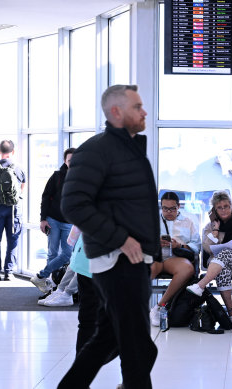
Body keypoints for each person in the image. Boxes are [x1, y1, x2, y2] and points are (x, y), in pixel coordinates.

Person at [58, 84, 160, 389]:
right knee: (137, 347)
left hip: (132, 259)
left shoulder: (127, 149)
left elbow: (134, 208)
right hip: (116, 259)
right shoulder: (96, 150)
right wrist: (121, 240)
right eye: (137, 107)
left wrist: (151, 254)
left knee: (110, 338)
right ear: (116, 112)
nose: (144, 112)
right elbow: (72, 204)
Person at [186, 191, 232, 328]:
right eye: (220, 207)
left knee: (225, 253)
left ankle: (201, 285)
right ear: (214, 210)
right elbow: (208, 248)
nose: (224, 210)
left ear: (231, 206)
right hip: (219, 265)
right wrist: (215, 231)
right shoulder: (209, 227)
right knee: (223, 268)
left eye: (226, 206)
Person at [149, 191, 199, 327]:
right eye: (165, 208)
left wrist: (180, 245)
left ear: (178, 207)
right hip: (156, 256)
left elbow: (197, 245)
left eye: (172, 208)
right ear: (161, 207)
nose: (168, 212)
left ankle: (159, 306)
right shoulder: (153, 221)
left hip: (175, 258)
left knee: (187, 269)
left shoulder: (188, 222)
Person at [30, 147, 76, 293]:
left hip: (69, 223)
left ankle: (41, 276)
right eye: (70, 160)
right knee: (52, 253)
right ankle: (51, 284)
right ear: (65, 161)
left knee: (67, 254)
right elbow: (45, 198)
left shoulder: (82, 178)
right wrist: (43, 219)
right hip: (53, 220)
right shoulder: (57, 176)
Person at [0, 140, 26, 281]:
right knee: (13, 240)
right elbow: (22, 187)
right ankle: (9, 272)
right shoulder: (19, 168)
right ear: (13, 152)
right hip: (14, 209)